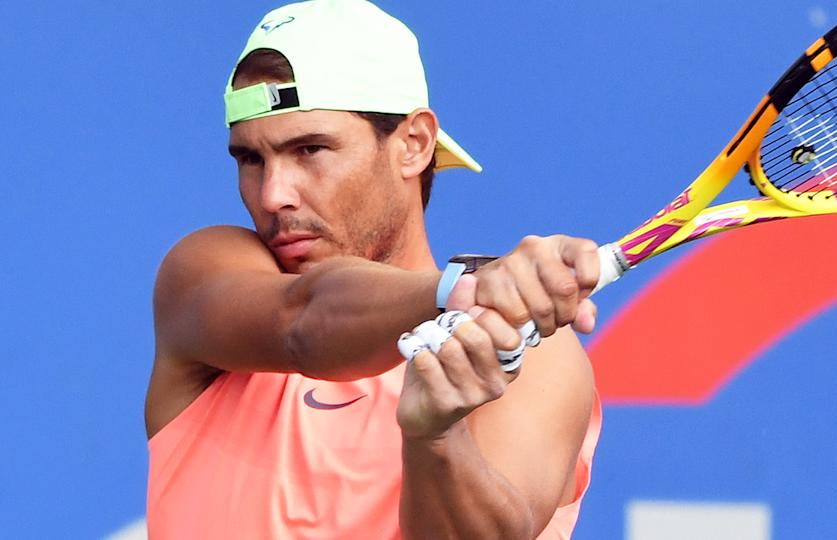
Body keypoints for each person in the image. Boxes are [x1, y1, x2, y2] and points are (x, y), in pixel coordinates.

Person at [145, 1, 602, 538]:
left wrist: (435, 438)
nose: (273, 195)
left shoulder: (533, 352)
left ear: (413, 145)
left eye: (310, 149)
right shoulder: (203, 275)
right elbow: (303, 318)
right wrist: (462, 289)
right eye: (251, 159)